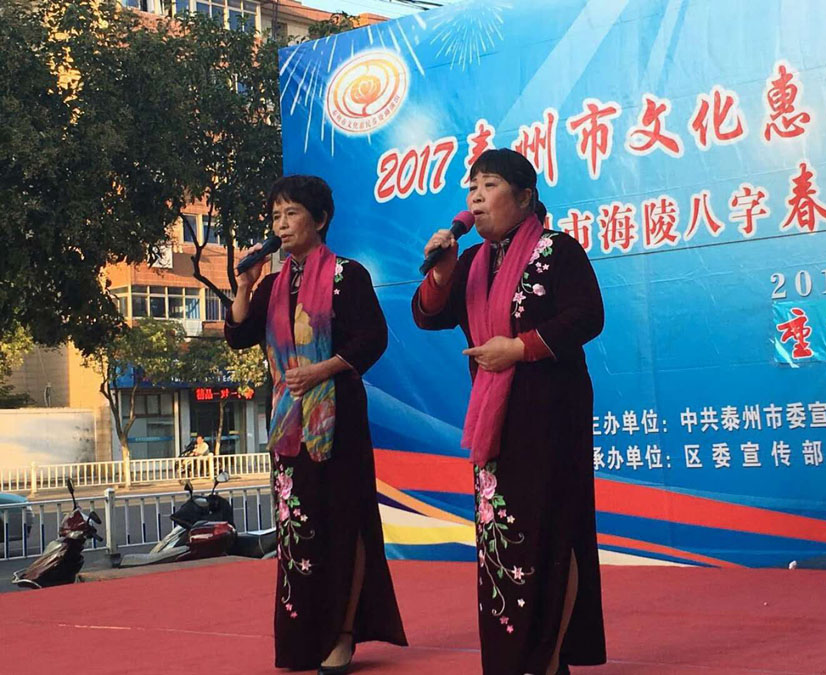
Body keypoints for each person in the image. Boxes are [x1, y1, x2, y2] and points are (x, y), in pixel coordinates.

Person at [412, 149, 607, 675]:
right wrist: (441, 274)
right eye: (471, 187)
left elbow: (588, 316)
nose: (475, 197)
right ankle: (512, 656)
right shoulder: (471, 261)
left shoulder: (556, 249)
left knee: (553, 531)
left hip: (552, 413)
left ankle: (549, 658)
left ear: (524, 197)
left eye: (490, 185)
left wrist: (519, 348)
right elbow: (427, 317)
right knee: (503, 533)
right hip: (495, 418)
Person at [225, 175, 406, 673]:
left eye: (292, 214)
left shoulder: (348, 275)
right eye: (275, 216)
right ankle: (305, 635)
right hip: (288, 423)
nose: (281, 225)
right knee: (297, 528)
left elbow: (372, 339)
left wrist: (321, 370)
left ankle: (343, 634)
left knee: (342, 522)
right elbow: (238, 334)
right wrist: (244, 286)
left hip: (338, 417)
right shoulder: (272, 284)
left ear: (320, 219)